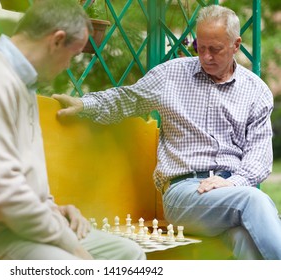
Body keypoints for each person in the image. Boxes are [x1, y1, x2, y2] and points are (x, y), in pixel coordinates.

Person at [53, 5, 281, 260]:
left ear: (236, 44)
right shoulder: (171, 75)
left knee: (245, 239)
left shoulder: (256, 91)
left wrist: (231, 183)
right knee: (254, 201)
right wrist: (85, 104)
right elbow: (127, 99)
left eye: (214, 49)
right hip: (185, 193)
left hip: (231, 190)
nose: (205, 56)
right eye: (200, 47)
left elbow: (258, 158)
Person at [0, 0, 145, 260]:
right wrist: (67, 241)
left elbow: (17, 174)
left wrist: (53, 208)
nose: (68, 65)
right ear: (56, 41)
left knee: (128, 255)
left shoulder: (21, 79)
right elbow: (0, 190)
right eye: (72, 54)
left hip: (19, 228)